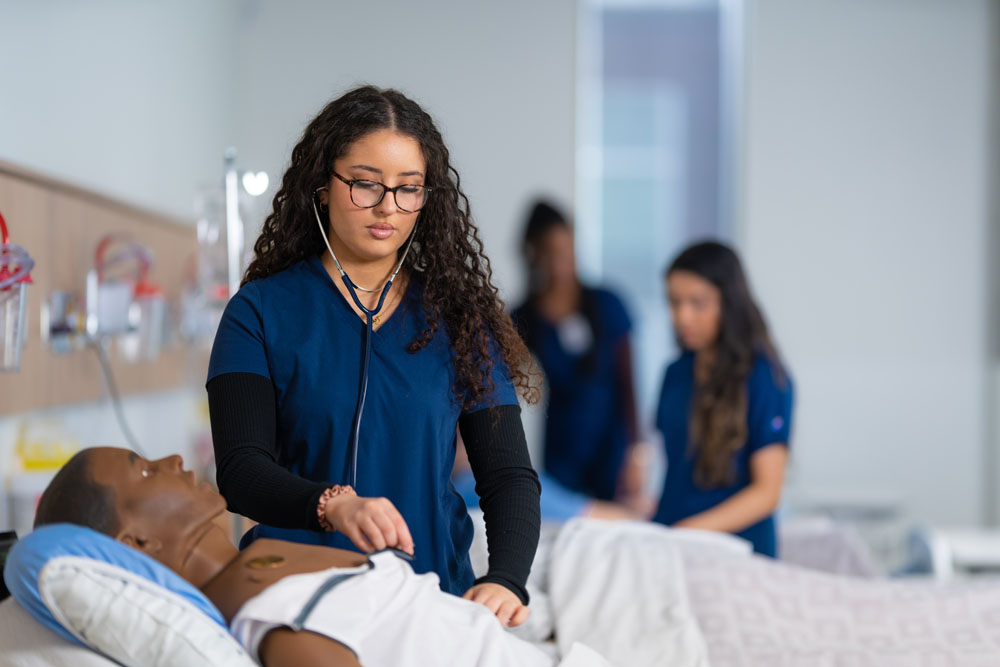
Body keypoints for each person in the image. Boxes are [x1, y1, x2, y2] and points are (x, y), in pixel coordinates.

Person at [206, 86, 540, 623]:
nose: (388, 206)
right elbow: (241, 469)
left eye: (409, 189)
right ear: (322, 186)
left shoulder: (457, 319)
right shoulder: (259, 312)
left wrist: (506, 579)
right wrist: (332, 504)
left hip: (426, 602)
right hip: (295, 603)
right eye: (365, 184)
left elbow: (508, 477)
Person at [30, 448, 605, 667]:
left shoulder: (264, 559)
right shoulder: (272, 619)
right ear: (137, 545)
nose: (175, 457)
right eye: (146, 469)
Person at [653, 241, 794, 557]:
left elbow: (767, 493)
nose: (683, 317)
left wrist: (687, 532)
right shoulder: (675, 374)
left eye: (697, 303)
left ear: (728, 303)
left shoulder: (765, 378)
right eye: (674, 302)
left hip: (736, 554)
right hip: (671, 546)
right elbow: (676, 473)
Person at [511, 201, 645, 505]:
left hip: (613, 446)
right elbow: (498, 379)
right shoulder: (525, 316)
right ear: (534, 254)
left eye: (566, 250)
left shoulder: (607, 303)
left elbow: (629, 385)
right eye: (550, 253)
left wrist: (638, 452)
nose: (561, 262)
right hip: (562, 448)